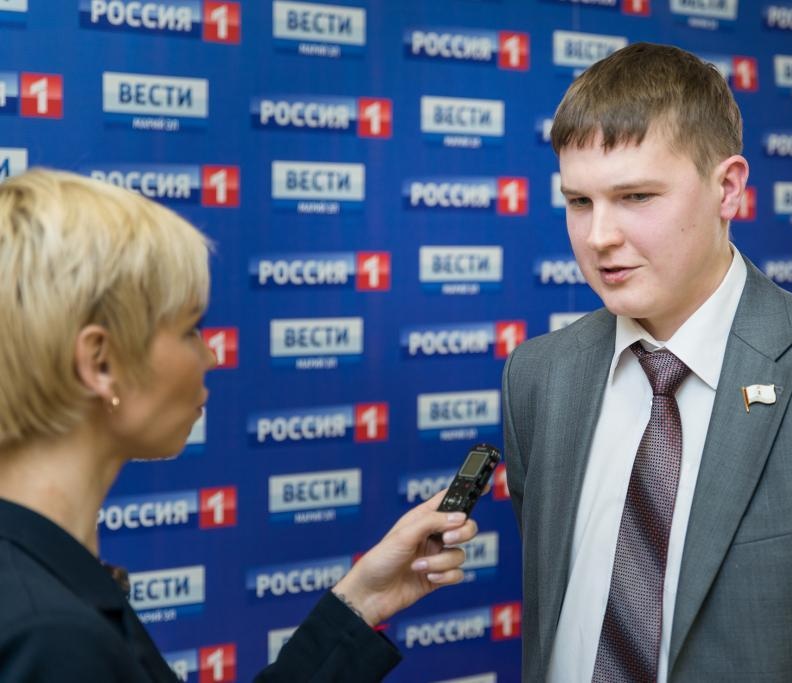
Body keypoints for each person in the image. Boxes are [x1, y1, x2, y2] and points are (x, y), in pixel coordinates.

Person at [501, 43, 792, 682]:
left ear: (727, 188)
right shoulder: (538, 378)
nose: (598, 237)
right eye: (579, 201)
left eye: (636, 196)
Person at [0, 169, 479, 682]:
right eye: (190, 329)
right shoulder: (50, 637)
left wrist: (363, 599)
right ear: (100, 362)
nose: (210, 356)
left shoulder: (41, 588)